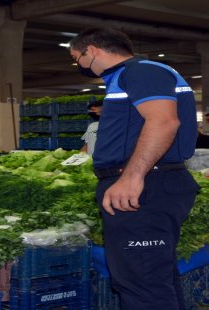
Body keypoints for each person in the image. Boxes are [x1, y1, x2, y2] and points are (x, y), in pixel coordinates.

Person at [70, 28, 198, 310]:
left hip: (147, 185)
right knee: (150, 277)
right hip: (149, 183)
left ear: (91, 51)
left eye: (76, 58)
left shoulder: (141, 71)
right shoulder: (125, 77)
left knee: (142, 280)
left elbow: (164, 122)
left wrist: (132, 176)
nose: (78, 66)